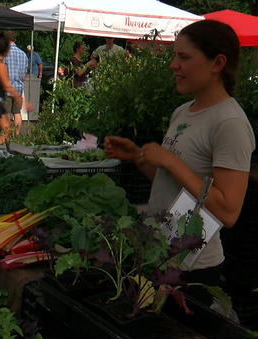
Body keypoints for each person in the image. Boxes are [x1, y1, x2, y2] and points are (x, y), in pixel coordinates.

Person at [104, 20, 255, 305]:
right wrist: (138, 156)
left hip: (195, 272)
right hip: (158, 257)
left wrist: (171, 161)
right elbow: (176, 186)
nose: (174, 65)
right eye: (175, 56)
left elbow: (229, 211)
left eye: (184, 57)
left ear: (217, 63)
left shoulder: (230, 123)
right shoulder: (183, 112)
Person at [3, 31, 28, 135]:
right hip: (19, 88)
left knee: (6, 113)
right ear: (15, 40)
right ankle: (17, 134)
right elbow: (24, 75)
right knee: (17, 112)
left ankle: (7, 134)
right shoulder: (23, 54)